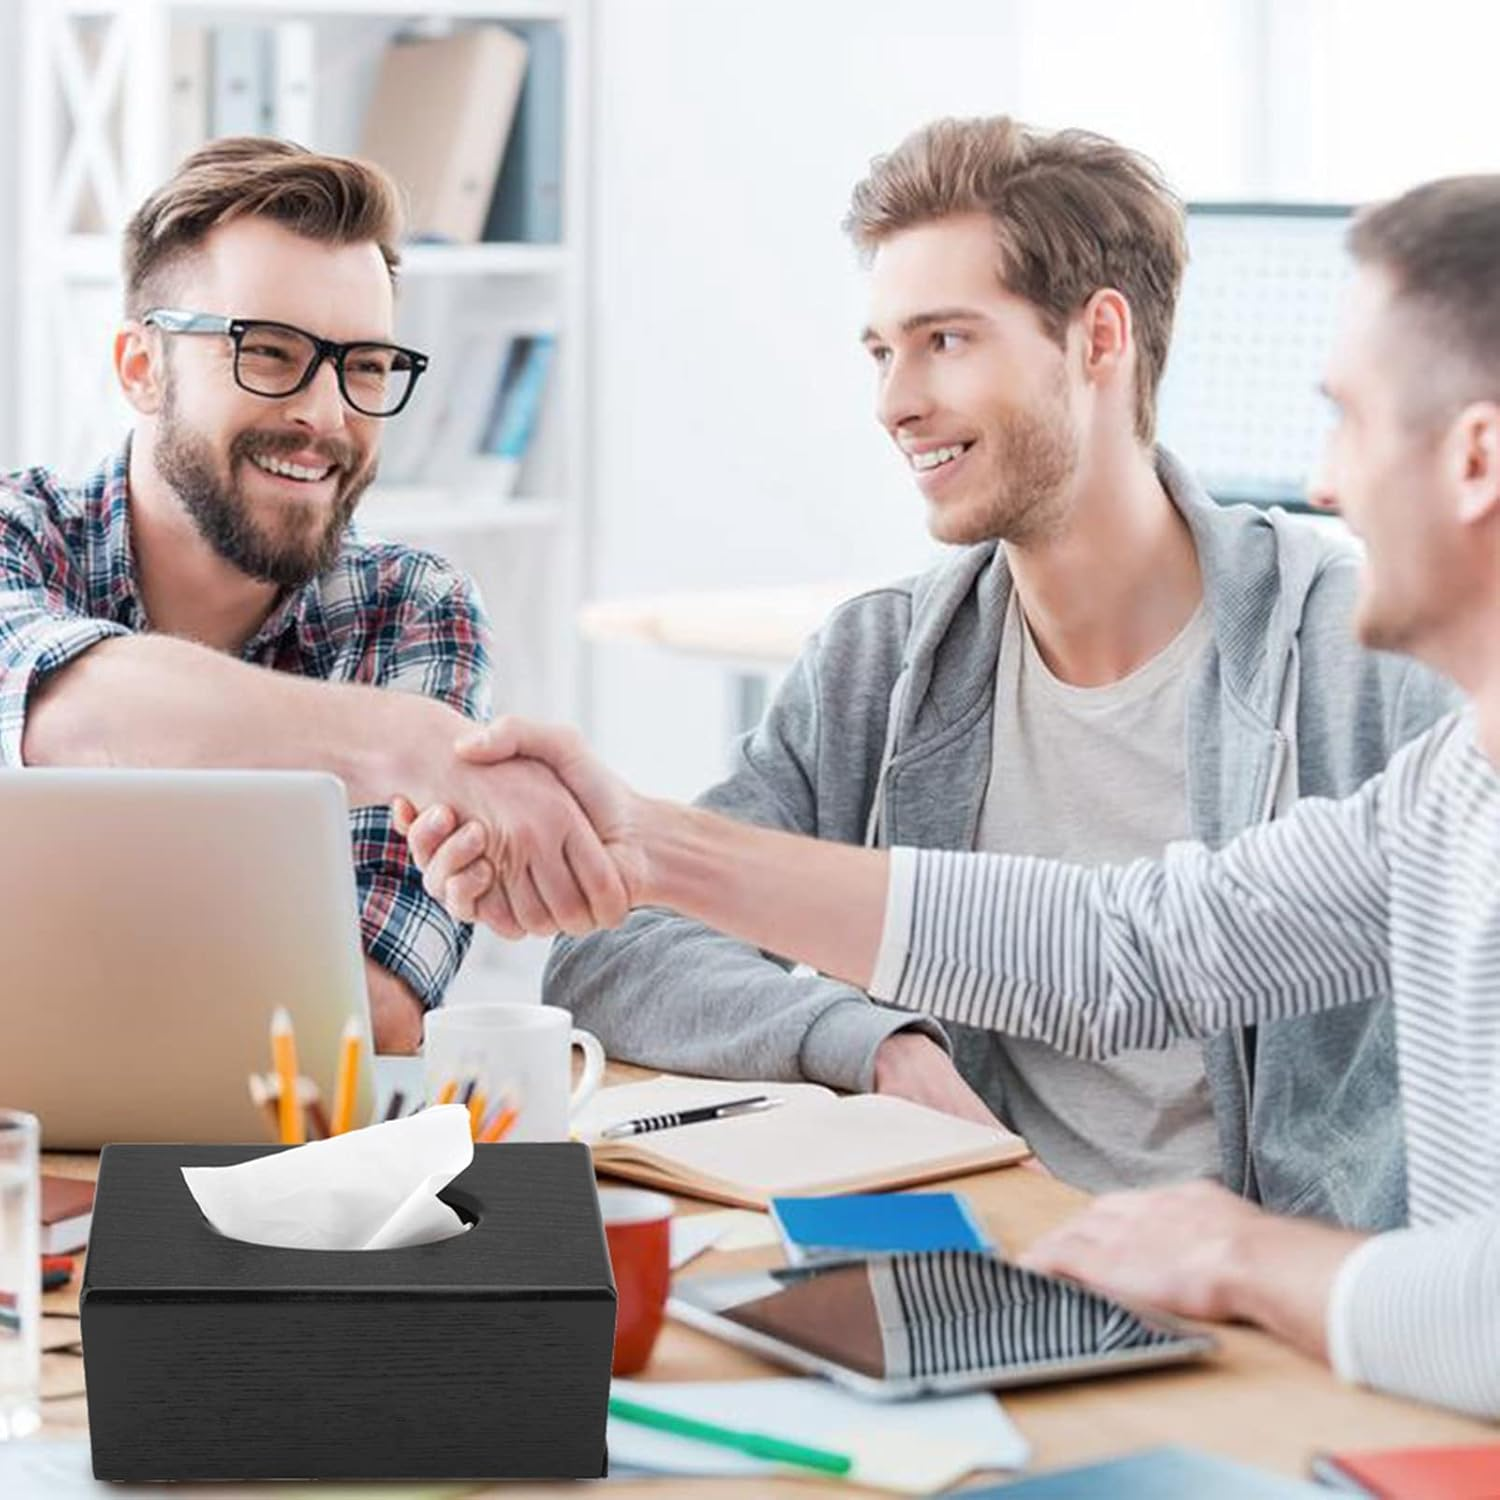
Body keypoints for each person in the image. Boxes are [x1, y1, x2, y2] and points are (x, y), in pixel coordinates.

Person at [403, 172, 1500, 1419]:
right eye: (884, 348)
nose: (1324, 480)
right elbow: (1128, 947)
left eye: (1348, 421)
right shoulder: (1446, 795)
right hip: (1072, 1293)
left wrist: (1242, 1253)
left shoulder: (1370, 688)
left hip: (1314, 1372)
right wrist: (648, 848)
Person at [0, 137, 626, 1053]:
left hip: (275, 1140)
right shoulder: (17, 536)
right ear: (140, 367)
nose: (326, 417)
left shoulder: (413, 610)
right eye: (269, 352)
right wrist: (409, 748)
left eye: (364, 366)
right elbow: (60, 711)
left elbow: (374, 1009)